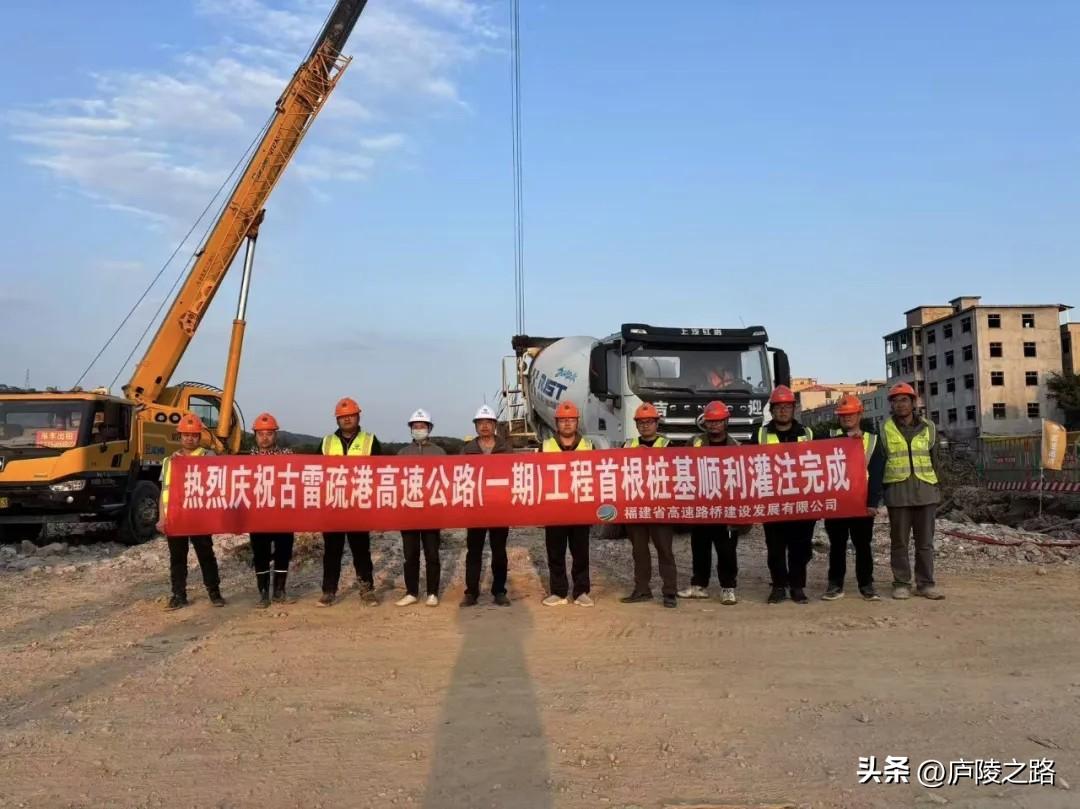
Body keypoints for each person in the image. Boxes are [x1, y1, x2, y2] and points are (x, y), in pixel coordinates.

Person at [750, 385, 817, 604]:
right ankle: (778, 586)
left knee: (800, 548)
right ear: (772, 410)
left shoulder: (807, 433)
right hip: (773, 501)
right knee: (776, 548)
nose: (783, 411)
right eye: (778, 407)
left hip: (801, 502)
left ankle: (797, 586)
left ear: (794, 409)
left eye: (787, 407)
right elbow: (745, 464)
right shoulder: (759, 434)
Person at [879, 383, 945, 600]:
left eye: (904, 400)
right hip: (898, 493)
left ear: (913, 402)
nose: (900, 405)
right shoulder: (884, 429)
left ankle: (925, 583)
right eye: (895, 401)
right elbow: (880, 461)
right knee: (899, 542)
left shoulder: (929, 428)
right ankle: (901, 583)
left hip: (925, 491)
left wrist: (936, 487)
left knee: (925, 543)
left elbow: (936, 461)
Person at [156, 413, 225, 611]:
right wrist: (162, 517)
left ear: (199, 436)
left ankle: (214, 592)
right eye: (186, 434)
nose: (189, 438)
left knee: (205, 554)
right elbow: (164, 492)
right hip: (176, 518)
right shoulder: (170, 461)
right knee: (177, 558)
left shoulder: (207, 457)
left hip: (199, 518)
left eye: (194, 435)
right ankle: (178, 595)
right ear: (180, 436)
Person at [319, 397, 382, 607]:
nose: (347, 420)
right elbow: (315, 473)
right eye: (342, 417)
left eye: (350, 416)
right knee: (332, 552)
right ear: (337, 420)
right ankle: (329, 590)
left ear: (358, 416)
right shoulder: (327, 442)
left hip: (359, 506)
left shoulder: (370, 441)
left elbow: (381, 473)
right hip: (333, 505)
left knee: (361, 550)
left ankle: (367, 589)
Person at [821, 395, 885, 602]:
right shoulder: (829, 438)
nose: (847, 418)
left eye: (851, 414)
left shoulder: (872, 440)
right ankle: (835, 584)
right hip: (837, 502)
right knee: (837, 545)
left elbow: (876, 473)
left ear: (859, 414)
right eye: (843, 415)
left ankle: (866, 585)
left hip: (861, 502)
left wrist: (873, 502)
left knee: (863, 545)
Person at [680, 400, 744, 605]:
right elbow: (681, 467)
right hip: (701, 507)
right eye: (710, 421)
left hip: (726, 509)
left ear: (726, 422)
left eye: (718, 421)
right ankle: (699, 585)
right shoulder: (694, 443)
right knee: (700, 547)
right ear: (705, 423)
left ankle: (728, 587)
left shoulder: (736, 447)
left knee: (726, 550)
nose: (714, 425)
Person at [621, 402, 677, 608]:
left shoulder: (668, 446)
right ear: (636, 425)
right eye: (641, 422)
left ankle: (670, 592)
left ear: (657, 423)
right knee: (639, 551)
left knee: (664, 550)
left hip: (660, 506)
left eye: (649, 422)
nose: (645, 426)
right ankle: (642, 589)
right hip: (635, 506)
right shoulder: (627, 446)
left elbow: (676, 475)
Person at [541, 401, 594, 607]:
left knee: (581, 552)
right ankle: (559, 592)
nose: (567, 424)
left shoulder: (589, 447)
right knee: (555, 552)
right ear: (556, 423)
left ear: (577, 422)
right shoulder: (545, 446)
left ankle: (581, 591)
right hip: (554, 509)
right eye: (563, 420)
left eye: (571, 420)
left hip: (580, 509)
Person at [461, 404, 512, 607]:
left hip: (500, 508)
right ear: (475, 426)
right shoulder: (467, 451)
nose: (484, 426)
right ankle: (471, 592)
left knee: (499, 551)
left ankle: (499, 591)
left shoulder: (506, 450)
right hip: (475, 509)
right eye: (480, 423)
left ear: (494, 425)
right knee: (474, 551)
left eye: (488, 422)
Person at [396, 409, 444, 607]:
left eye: (422, 426)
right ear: (410, 429)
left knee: (432, 553)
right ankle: (412, 592)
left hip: (432, 511)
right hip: (408, 512)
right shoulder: (402, 453)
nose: (419, 429)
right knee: (410, 555)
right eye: (415, 426)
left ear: (429, 428)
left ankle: (432, 592)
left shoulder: (439, 453)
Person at [248, 412, 295, 609]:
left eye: (269, 433)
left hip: (283, 514)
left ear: (275, 435)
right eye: (261, 434)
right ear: (255, 436)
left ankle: (280, 591)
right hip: (258, 517)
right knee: (261, 554)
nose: (265, 437)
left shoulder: (288, 456)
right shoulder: (245, 461)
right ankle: (263, 593)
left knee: (284, 552)